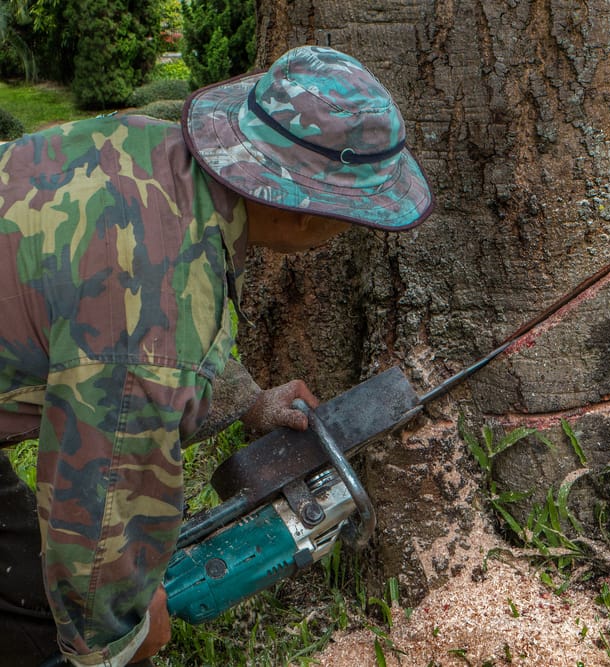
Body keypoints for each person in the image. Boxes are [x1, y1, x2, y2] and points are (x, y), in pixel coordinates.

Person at [0, 46, 433, 666]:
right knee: (52, 625)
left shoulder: (152, 155)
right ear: (305, 212)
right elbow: (98, 492)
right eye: (353, 216)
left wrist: (246, 401)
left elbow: (125, 323)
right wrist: (117, 634)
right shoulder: (155, 321)